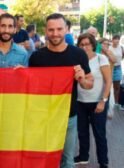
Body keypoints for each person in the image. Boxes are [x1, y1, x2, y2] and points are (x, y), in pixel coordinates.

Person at [29, 13, 94, 168]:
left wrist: (82, 79)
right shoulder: (36, 57)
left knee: (67, 160)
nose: (55, 33)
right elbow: (30, 87)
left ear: (66, 29)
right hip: (43, 116)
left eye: (59, 29)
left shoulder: (78, 54)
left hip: (69, 117)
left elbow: (90, 83)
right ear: (46, 30)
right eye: (51, 30)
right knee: (43, 157)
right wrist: (19, 74)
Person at [75, 33, 111, 168]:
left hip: (98, 102)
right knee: (82, 132)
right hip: (80, 102)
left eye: (87, 44)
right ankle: (83, 156)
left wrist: (103, 100)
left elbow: (108, 82)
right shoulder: (76, 60)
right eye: (81, 45)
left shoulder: (101, 59)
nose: (85, 47)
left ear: (93, 45)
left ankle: (103, 161)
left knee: (99, 133)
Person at [110, 35, 124, 108]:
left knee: (117, 87)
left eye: (118, 39)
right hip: (110, 68)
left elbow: (122, 56)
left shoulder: (121, 47)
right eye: (115, 39)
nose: (117, 40)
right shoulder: (109, 47)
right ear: (112, 40)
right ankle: (108, 102)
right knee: (108, 86)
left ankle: (116, 103)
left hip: (118, 68)